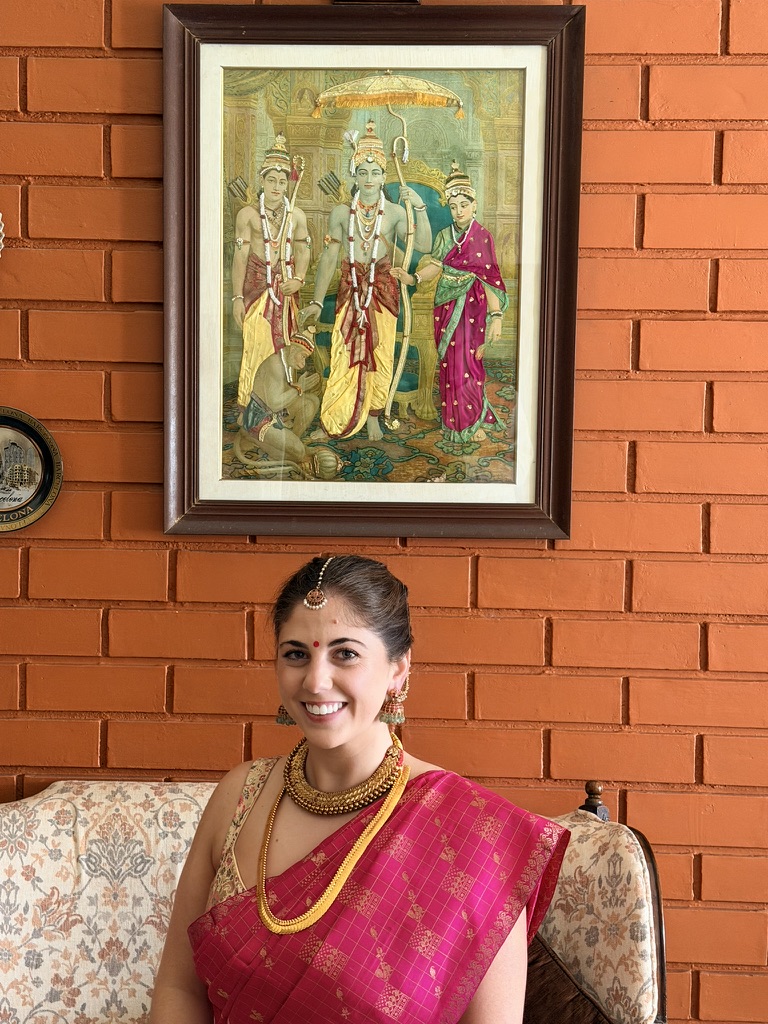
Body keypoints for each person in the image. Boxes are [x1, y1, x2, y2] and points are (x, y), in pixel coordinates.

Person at [151, 554, 569, 1024]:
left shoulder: (476, 835)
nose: (316, 681)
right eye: (296, 654)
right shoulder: (239, 795)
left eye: (345, 653)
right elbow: (178, 987)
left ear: (398, 669)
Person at [300, 122, 432, 442]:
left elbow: (424, 245)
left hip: (383, 290)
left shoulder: (396, 212)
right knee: (343, 350)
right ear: (355, 176)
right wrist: (316, 301)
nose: (369, 179)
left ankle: (373, 415)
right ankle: (333, 420)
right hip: (351, 290)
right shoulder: (341, 213)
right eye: (363, 172)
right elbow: (329, 259)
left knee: (381, 353)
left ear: (384, 176)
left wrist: (419, 206)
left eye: (375, 172)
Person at [391, 161, 508, 445]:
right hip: (445, 304)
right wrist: (413, 278)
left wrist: (496, 317)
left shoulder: (483, 237)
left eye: (463, 205)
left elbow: (490, 279)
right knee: (450, 363)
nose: (458, 211)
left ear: (474, 205)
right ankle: (453, 422)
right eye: (453, 206)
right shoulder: (445, 235)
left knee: (469, 362)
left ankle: (471, 419)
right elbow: (436, 265)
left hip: (473, 306)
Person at [232, 133, 311, 416]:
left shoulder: (296, 215)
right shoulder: (248, 215)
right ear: (262, 181)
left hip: (286, 292)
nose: (277, 187)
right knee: (256, 346)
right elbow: (240, 257)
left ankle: (279, 406)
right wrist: (237, 298)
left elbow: (303, 250)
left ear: (288, 183)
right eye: (272, 180)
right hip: (256, 291)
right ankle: (249, 408)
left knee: (285, 346)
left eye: (282, 182)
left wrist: (298, 279)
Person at [234, 332, 321, 471]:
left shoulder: (285, 360)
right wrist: (300, 388)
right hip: (258, 417)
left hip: (274, 413)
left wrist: (298, 388)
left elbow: (282, 394)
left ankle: (291, 442)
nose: (303, 364)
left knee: (312, 402)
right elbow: (274, 404)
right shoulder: (275, 364)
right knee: (299, 453)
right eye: (303, 356)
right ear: (293, 349)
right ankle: (251, 436)